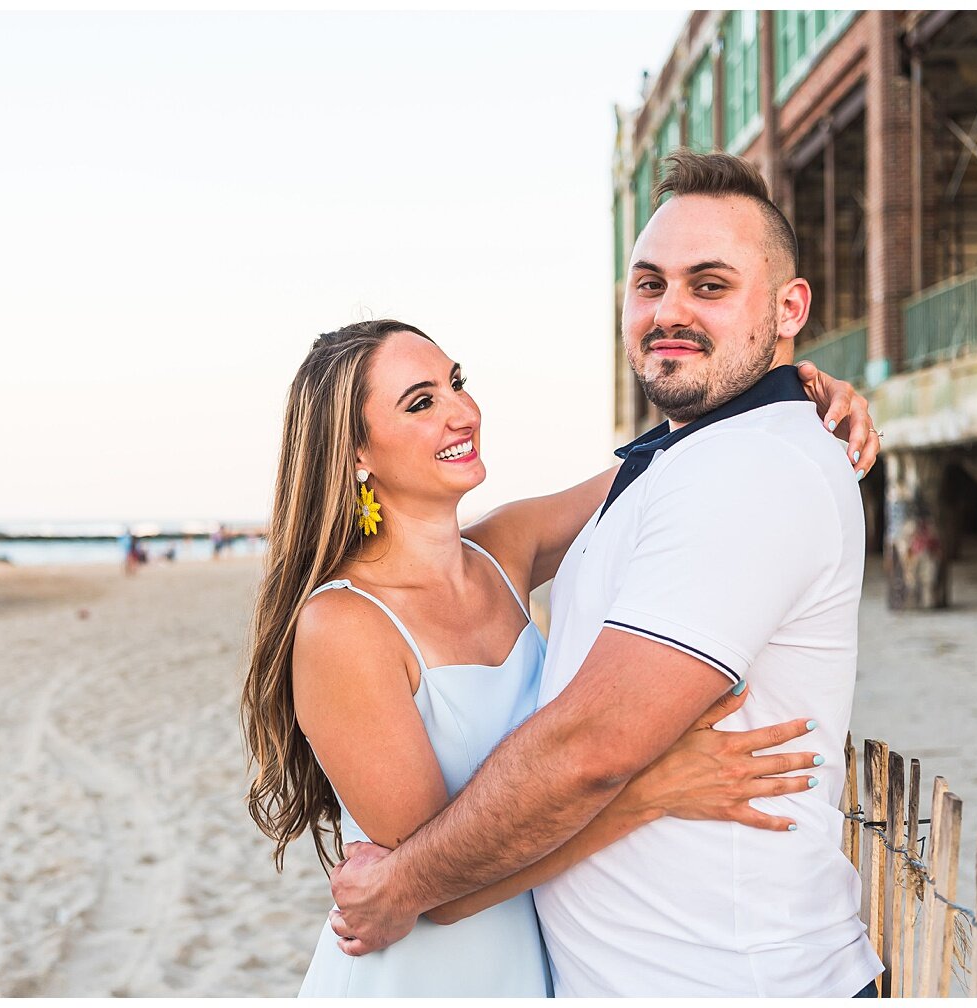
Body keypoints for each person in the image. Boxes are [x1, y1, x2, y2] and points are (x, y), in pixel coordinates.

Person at [323, 151, 885, 997]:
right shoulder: (667, 467)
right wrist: (780, 382)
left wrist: (790, 387)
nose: (669, 311)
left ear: (787, 307)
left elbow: (589, 748)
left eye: (710, 285)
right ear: (354, 453)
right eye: (649, 284)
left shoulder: (746, 467)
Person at [242, 324, 880, 988]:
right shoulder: (342, 626)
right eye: (421, 402)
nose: (462, 412)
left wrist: (790, 403)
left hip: (541, 966)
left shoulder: (503, 549)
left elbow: (670, 467)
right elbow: (438, 885)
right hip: (427, 974)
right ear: (354, 455)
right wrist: (648, 792)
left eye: (456, 383)